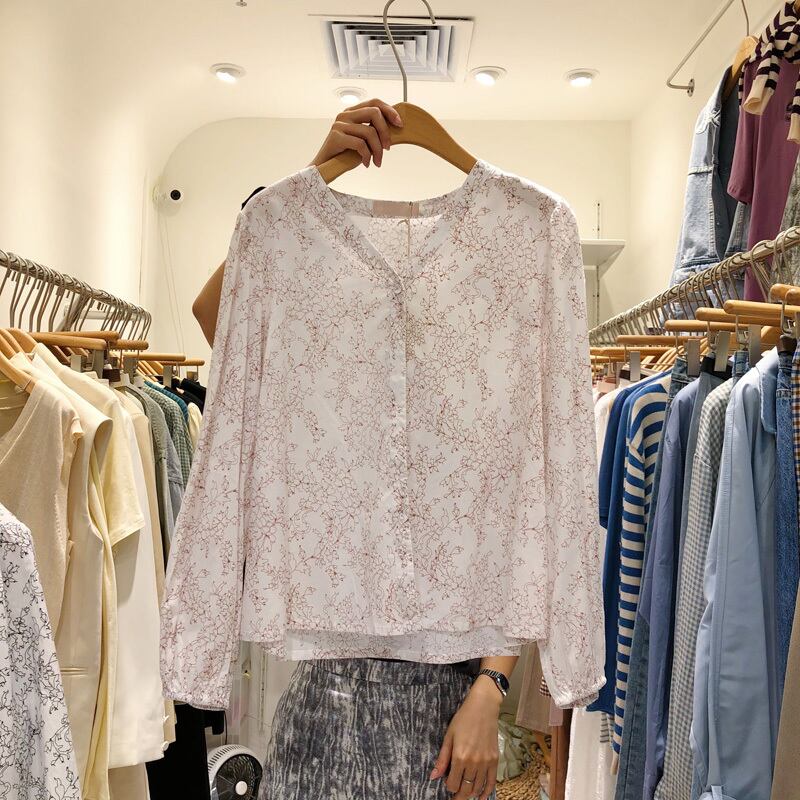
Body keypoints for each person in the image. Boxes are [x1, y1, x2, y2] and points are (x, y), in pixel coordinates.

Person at [192, 99, 515, 800]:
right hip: (320, 702)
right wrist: (314, 179)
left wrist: (493, 685)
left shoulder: (472, 381)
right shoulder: (315, 380)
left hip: (451, 703)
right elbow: (215, 314)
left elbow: (518, 517)